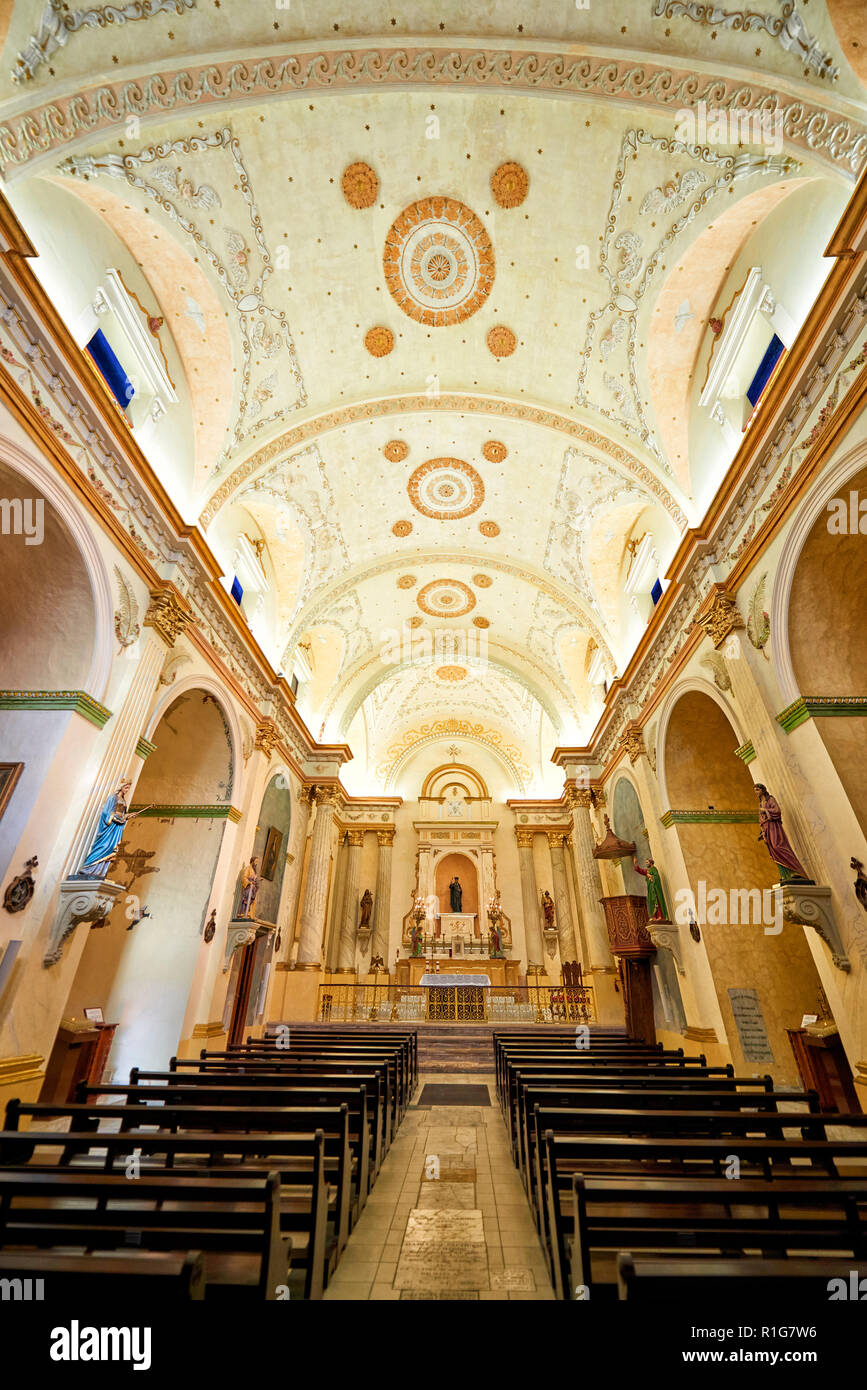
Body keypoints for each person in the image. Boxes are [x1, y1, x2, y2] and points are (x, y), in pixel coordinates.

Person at [78, 780, 149, 880]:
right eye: (126, 787)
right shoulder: (113, 798)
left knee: (112, 848)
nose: (127, 790)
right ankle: (88, 868)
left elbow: (123, 815)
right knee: (104, 845)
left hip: (117, 828)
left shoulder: (124, 801)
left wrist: (128, 815)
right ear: (121, 787)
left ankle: (100, 872)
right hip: (110, 827)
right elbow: (106, 813)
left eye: (129, 788)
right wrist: (121, 818)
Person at [755, 784, 813, 883]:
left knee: (778, 846)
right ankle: (785, 875)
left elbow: (777, 811)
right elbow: (761, 819)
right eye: (755, 790)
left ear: (762, 790)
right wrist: (763, 832)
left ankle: (796, 872)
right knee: (773, 851)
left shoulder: (770, 799)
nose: (755, 792)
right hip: (767, 828)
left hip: (774, 827)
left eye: (757, 790)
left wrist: (765, 810)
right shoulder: (761, 803)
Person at [633, 856, 670, 921]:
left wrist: (651, 877)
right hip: (650, 889)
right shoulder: (648, 870)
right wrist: (635, 864)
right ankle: (654, 917)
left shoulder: (654, 869)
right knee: (651, 903)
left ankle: (660, 916)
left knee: (657, 902)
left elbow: (657, 878)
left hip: (655, 889)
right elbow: (640, 871)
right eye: (646, 862)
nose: (646, 864)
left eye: (647, 862)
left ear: (651, 863)